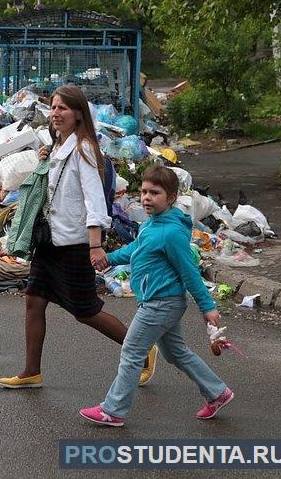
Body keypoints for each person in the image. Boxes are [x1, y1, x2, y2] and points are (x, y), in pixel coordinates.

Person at [0, 85, 157, 389]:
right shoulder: (58, 147)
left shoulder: (84, 150)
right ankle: (31, 370)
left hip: (74, 243)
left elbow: (94, 200)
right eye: (54, 107)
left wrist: (95, 245)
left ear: (78, 114)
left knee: (86, 311)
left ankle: (142, 348)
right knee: (33, 300)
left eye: (63, 108)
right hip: (50, 242)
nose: (56, 113)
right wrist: (45, 158)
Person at [79, 165, 233, 427]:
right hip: (160, 301)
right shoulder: (152, 225)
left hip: (161, 303)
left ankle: (113, 410)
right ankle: (218, 392)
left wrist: (208, 307)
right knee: (175, 353)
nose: (146, 197)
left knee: (132, 351)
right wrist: (107, 259)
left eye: (155, 193)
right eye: (144, 192)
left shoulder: (171, 233)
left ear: (171, 197)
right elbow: (137, 250)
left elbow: (190, 273)